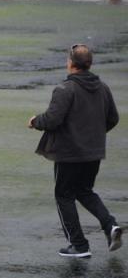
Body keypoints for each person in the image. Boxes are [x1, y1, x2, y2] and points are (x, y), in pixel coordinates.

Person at [29, 44, 121, 258]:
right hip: (93, 152)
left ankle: (79, 244)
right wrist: (94, 134)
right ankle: (110, 225)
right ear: (89, 64)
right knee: (85, 191)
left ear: (70, 63)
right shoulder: (103, 87)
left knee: (64, 195)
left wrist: (35, 121)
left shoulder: (65, 88)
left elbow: (52, 119)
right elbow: (113, 118)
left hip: (69, 153)